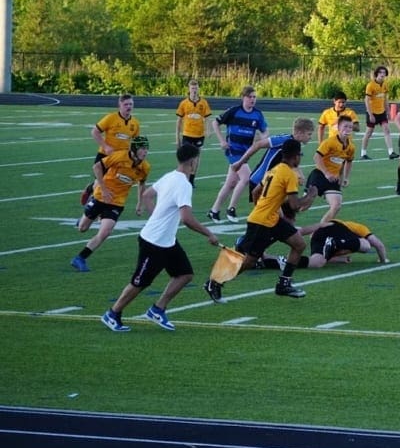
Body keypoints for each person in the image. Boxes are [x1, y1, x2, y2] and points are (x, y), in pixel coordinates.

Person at [101, 144, 220, 332]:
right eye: (197, 159)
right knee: (140, 282)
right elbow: (187, 219)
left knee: (185, 274)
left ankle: (157, 309)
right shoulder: (183, 185)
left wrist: (156, 216)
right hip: (154, 242)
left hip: (167, 241)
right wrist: (209, 234)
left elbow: (147, 195)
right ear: (192, 161)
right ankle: (113, 313)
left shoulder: (169, 176)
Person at [204, 138, 316, 302]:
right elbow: (294, 206)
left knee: (299, 244)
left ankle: (284, 284)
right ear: (296, 156)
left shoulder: (274, 170)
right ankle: (214, 283)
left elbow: (256, 192)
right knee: (249, 261)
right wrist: (311, 195)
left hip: (270, 219)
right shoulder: (289, 174)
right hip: (262, 222)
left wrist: (263, 206)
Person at [72, 135, 151, 272]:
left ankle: (80, 258)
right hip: (100, 196)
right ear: (134, 149)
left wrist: (139, 204)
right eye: (142, 149)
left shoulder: (145, 167)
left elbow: (142, 184)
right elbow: (97, 167)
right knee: (82, 228)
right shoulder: (119, 157)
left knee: (105, 232)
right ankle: (89, 196)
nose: (145, 152)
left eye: (146, 149)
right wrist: (102, 188)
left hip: (117, 203)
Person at [208, 85, 268, 223]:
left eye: (254, 97)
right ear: (243, 98)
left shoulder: (257, 114)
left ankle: (214, 211)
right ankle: (231, 209)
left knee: (230, 183)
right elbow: (215, 123)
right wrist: (222, 141)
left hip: (246, 152)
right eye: (250, 97)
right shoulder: (234, 111)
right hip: (233, 151)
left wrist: (262, 138)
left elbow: (265, 130)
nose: (252, 100)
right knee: (246, 177)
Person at [231, 117, 315, 201]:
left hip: (271, 182)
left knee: (274, 211)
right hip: (260, 180)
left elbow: (293, 164)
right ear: (299, 132)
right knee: (267, 211)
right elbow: (258, 144)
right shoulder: (284, 140)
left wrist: (300, 176)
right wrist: (240, 162)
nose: (310, 137)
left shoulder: (296, 145)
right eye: (309, 134)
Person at [81, 93, 141, 205]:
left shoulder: (135, 123)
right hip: (105, 155)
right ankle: (92, 201)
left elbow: (136, 142)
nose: (129, 107)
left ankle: (95, 196)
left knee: (112, 183)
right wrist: (105, 146)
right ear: (120, 105)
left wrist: (136, 156)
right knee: (99, 184)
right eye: (126, 104)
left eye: (131, 104)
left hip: (120, 159)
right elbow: (94, 131)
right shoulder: (111, 118)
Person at [308, 116, 355, 224]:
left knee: (336, 206)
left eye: (350, 127)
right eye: (345, 126)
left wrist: (345, 177)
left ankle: (317, 231)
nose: (348, 129)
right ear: (338, 127)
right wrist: (326, 173)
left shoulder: (351, 147)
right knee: (302, 206)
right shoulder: (330, 142)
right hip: (319, 175)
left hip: (333, 179)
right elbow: (316, 157)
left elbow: (348, 161)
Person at [304, 219, 389, 268]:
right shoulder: (359, 228)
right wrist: (383, 260)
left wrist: (342, 259)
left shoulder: (337, 246)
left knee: (317, 262)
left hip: (318, 235)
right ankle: (335, 242)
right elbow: (379, 245)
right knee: (366, 246)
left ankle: (293, 261)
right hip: (335, 228)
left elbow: (328, 258)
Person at [174, 79, 211, 185]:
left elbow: (208, 118)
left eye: (196, 88)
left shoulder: (203, 103)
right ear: (189, 89)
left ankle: (192, 179)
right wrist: (177, 137)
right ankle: (183, 177)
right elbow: (179, 121)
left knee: (196, 158)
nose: (194, 90)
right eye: (192, 88)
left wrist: (209, 130)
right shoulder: (184, 103)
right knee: (186, 157)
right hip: (187, 134)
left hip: (199, 135)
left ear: (198, 89)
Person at [360, 65, 397, 160]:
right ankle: (363, 153)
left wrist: (388, 111)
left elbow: (385, 99)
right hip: (372, 112)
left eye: (384, 73)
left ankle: (391, 152)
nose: (382, 74)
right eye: (380, 72)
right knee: (369, 132)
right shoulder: (370, 85)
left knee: (387, 130)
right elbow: (366, 100)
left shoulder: (385, 84)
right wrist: (370, 114)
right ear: (376, 74)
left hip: (381, 112)